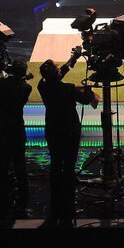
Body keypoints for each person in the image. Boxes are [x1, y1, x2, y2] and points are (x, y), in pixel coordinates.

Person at [37, 57, 97, 222]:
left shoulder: (42, 85)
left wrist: (72, 59)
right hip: (69, 131)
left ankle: (56, 196)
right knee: (69, 165)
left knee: (56, 162)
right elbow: (86, 100)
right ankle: (68, 204)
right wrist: (89, 88)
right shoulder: (67, 89)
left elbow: (57, 77)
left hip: (52, 130)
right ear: (56, 73)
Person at [0, 58, 32, 212]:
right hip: (16, 130)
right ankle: (23, 198)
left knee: (0, 166)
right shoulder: (26, 87)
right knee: (19, 166)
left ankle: (3, 198)